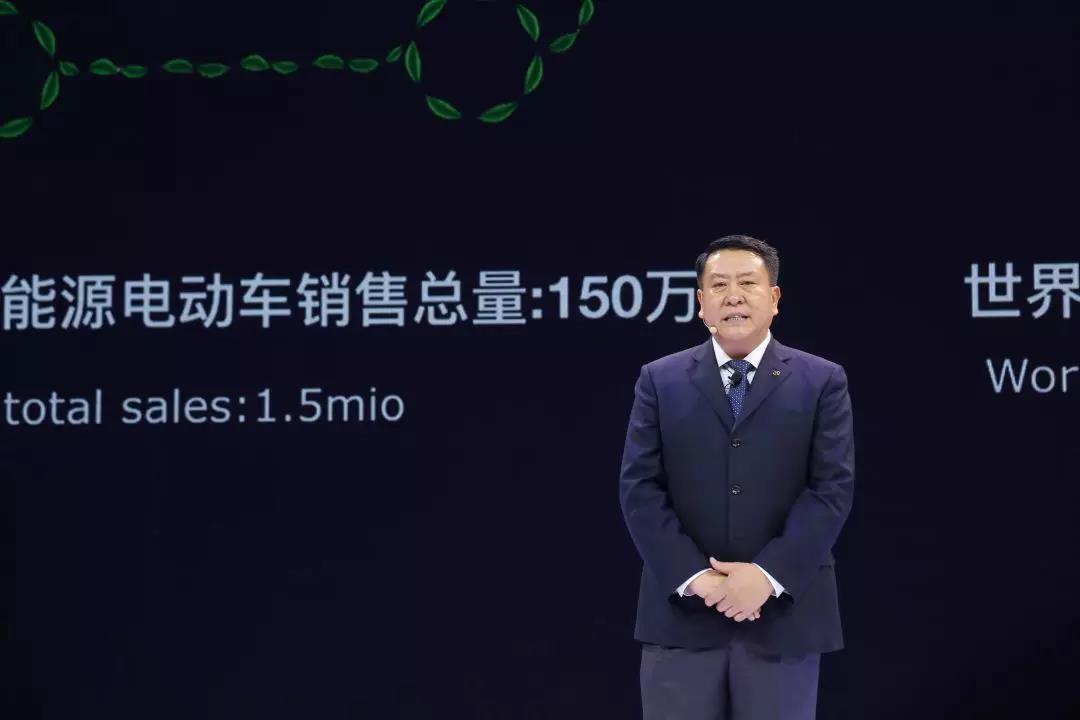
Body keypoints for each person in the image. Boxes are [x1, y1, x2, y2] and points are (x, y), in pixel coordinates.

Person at [619, 235, 855, 719]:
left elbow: (831, 490)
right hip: (682, 618)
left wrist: (766, 577)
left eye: (748, 283)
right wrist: (698, 579)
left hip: (784, 619)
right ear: (701, 302)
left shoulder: (822, 380)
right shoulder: (660, 380)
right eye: (719, 285)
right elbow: (640, 489)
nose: (733, 297)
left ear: (774, 297)